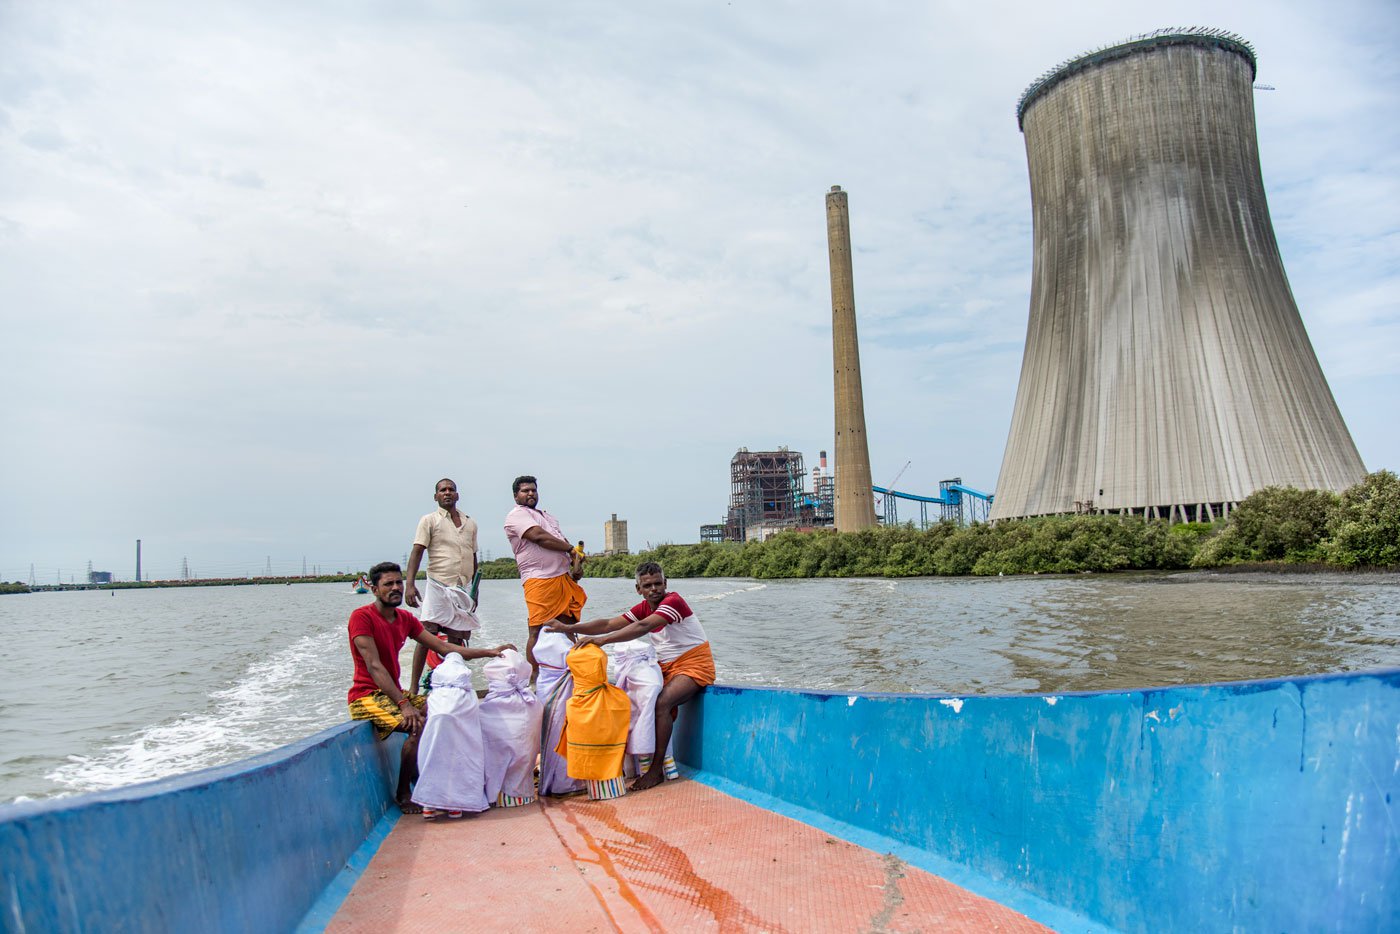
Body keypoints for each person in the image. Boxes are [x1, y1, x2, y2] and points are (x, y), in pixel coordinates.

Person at [346, 561, 511, 813]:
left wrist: (489, 652)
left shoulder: (405, 618)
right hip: (367, 695)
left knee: (450, 712)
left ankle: (449, 783)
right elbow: (374, 666)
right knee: (417, 725)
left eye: (399, 582)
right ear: (374, 589)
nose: (396, 588)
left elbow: (444, 647)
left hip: (393, 693)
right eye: (388, 584)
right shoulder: (362, 618)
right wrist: (405, 705)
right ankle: (404, 793)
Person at [550, 561, 715, 791]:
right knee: (635, 700)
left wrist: (602, 641)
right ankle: (641, 763)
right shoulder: (643, 607)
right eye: (647, 585)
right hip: (666, 667)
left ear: (666, 584)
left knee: (662, 703)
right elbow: (608, 623)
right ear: (638, 589)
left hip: (694, 664)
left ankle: (656, 770)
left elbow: (643, 627)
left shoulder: (673, 602)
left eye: (658, 583)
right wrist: (568, 628)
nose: (654, 589)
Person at [503, 475, 585, 682]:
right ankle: (535, 675)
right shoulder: (516, 516)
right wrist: (570, 549)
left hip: (562, 578)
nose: (530, 493)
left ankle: (570, 672)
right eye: (525, 491)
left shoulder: (549, 517)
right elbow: (539, 536)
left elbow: (565, 543)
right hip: (539, 579)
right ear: (516, 496)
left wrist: (576, 563)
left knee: (567, 626)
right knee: (538, 629)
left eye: (533, 490)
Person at [406, 478, 480, 696]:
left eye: (451, 490)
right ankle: (414, 687)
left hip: (461, 587)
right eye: (442, 490)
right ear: (436, 496)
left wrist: (475, 591)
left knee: (457, 638)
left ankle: (454, 685)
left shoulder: (470, 523)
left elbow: (473, 557)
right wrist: (409, 584)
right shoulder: (429, 520)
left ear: (457, 495)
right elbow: (417, 551)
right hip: (438, 584)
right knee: (427, 633)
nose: (447, 493)